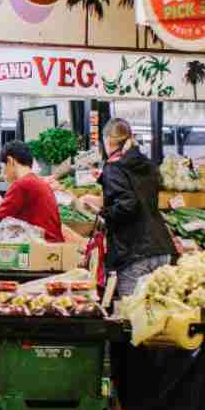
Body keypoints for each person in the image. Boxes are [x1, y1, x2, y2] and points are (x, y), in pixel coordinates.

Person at [79, 117, 175, 299]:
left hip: (134, 252)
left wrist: (100, 212)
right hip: (162, 248)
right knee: (159, 312)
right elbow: (138, 191)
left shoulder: (114, 167)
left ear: (107, 140)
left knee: (133, 314)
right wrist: (104, 178)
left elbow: (127, 205)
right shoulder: (146, 163)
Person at [0, 142, 64, 242]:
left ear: (11, 161)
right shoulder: (37, 182)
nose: (2, 175)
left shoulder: (22, 185)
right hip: (52, 246)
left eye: (2, 168)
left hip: (43, 248)